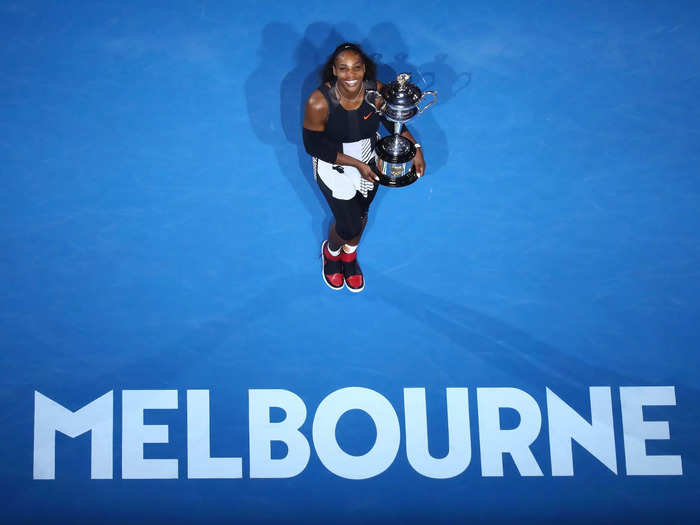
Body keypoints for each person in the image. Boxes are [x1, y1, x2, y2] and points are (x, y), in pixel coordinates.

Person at [302, 42, 426, 292]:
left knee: (362, 213)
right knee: (348, 225)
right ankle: (333, 251)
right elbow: (313, 146)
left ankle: (349, 256)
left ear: (364, 69)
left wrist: (416, 148)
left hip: (371, 157)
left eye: (356, 68)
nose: (351, 75)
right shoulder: (319, 101)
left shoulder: (376, 91)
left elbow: (393, 122)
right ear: (334, 71)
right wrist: (357, 165)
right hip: (334, 163)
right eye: (343, 68)